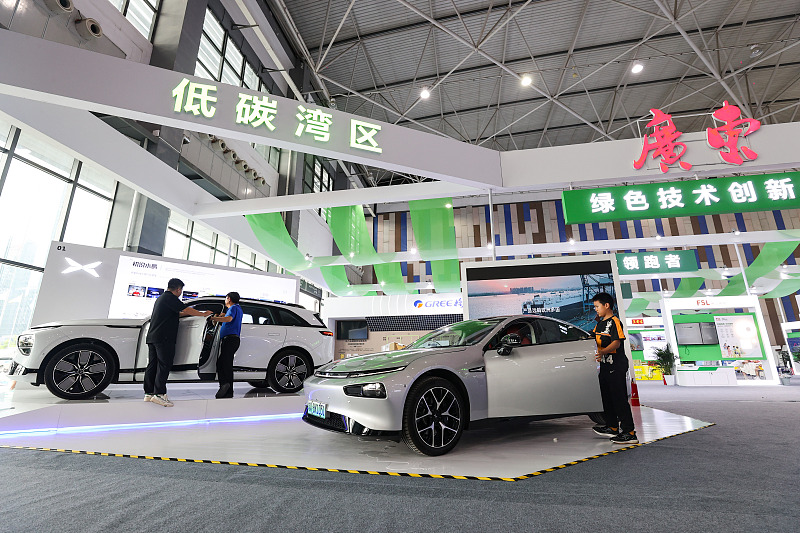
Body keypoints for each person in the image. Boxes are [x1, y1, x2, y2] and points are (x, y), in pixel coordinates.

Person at [144, 278, 212, 407]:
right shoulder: (171, 298)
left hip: (153, 337)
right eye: (181, 290)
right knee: (164, 365)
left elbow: (177, 313)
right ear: (178, 289)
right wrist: (203, 314)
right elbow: (186, 309)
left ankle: (149, 394)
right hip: (164, 338)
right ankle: (159, 394)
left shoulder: (161, 298)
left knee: (152, 365)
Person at [590, 292, 638, 444]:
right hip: (604, 366)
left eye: (597, 306)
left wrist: (603, 351)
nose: (595, 309)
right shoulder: (599, 323)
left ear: (606, 305)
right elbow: (592, 339)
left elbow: (617, 342)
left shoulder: (614, 321)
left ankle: (629, 432)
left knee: (619, 399)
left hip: (616, 365)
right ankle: (612, 427)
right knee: (606, 397)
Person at [209, 292, 243, 399]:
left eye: (226, 298)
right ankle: (227, 389)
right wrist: (221, 317)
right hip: (231, 340)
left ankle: (225, 386)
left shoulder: (233, 308)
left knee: (225, 363)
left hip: (230, 340)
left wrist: (213, 318)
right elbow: (227, 319)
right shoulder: (236, 309)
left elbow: (229, 319)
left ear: (228, 298)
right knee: (223, 363)